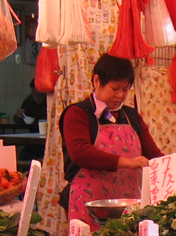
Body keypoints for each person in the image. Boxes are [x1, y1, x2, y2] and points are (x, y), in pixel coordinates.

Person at [59, 54, 163, 226]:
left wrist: (169, 165)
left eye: (125, 89)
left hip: (128, 209)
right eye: (115, 88)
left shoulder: (131, 116)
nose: (120, 95)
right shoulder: (78, 113)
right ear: (97, 81)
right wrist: (127, 162)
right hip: (89, 207)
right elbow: (80, 152)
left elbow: (153, 154)